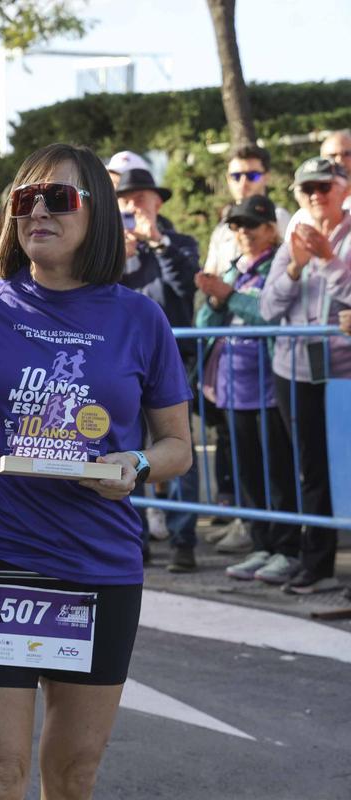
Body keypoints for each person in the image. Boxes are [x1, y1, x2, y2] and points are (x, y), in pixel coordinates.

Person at [0, 143, 193, 800]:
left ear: (96, 213)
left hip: (98, 565)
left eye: (58, 198)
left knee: (73, 776)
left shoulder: (139, 319)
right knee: (0, 775)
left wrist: (137, 463)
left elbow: (178, 445)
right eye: (24, 199)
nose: (38, 210)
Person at [194, 195, 302, 583]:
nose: (242, 234)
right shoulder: (237, 268)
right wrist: (213, 296)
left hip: (270, 386)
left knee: (278, 473)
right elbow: (207, 322)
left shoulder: (282, 264)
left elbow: (268, 313)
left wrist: (229, 297)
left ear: (271, 229)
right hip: (232, 389)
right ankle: (262, 545)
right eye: (236, 227)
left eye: (250, 226)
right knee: (248, 473)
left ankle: (287, 548)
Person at [259, 157, 351, 595]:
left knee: (346, 470)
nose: (316, 194)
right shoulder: (292, 237)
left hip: (343, 375)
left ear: (344, 189)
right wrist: (295, 267)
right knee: (311, 469)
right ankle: (317, 564)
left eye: (324, 186)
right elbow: (267, 308)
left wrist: (329, 260)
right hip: (293, 371)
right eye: (306, 188)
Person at [114, 166, 202, 571]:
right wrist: (118, 258)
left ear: (157, 201)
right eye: (124, 198)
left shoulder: (180, 242)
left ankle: (184, 540)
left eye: (139, 197)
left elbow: (186, 291)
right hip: (126, 362)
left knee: (176, 448)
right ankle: (139, 539)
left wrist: (161, 245)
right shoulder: (112, 248)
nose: (132, 205)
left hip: (174, 362)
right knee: (130, 447)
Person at [203, 145, 291, 276]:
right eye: (236, 176)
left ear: (266, 177)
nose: (243, 182)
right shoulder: (222, 227)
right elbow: (211, 271)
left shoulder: (278, 217)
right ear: (228, 179)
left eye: (252, 176)